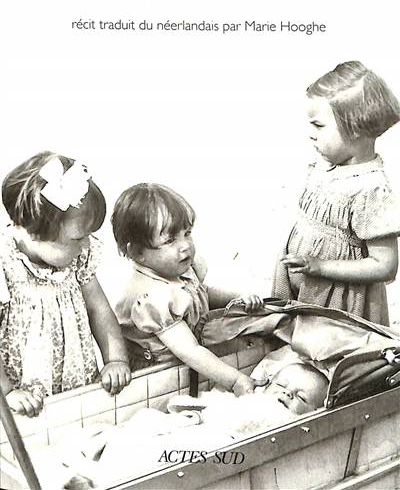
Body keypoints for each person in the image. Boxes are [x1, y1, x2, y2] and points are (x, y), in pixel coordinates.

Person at [0, 152, 131, 417]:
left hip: (75, 380)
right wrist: (8, 392)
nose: (86, 245)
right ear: (35, 231)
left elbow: (99, 309)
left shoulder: (77, 258)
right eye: (78, 238)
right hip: (20, 397)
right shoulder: (5, 263)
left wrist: (115, 359)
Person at [273, 60, 400, 324]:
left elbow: (385, 265)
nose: (311, 134)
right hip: (305, 287)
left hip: (337, 304)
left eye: (319, 126)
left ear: (355, 128)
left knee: (325, 346)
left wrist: (321, 266)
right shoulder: (327, 167)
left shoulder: (370, 189)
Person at [112, 183, 263, 396]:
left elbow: (201, 292)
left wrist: (237, 298)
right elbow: (189, 351)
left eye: (187, 233)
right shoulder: (152, 298)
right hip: (160, 378)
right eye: (170, 240)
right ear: (138, 253)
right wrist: (235, 380)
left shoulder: (176, 268)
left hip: (193, 360)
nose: (185, 245)